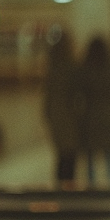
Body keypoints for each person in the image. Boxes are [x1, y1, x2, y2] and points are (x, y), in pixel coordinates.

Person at [77, 35, 110, 185]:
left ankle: (91, 187)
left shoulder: (85, 69)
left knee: (90, 158)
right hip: (109, 115)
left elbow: (77, 92)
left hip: (90, 117)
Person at [41, 27, 82, 185]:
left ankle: (59, 187)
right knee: (69, 156)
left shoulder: (52, 67)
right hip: (69, 116)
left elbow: (48, 96)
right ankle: (67, 188)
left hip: (56, 115)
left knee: (61, 155)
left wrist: (47, 115)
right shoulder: (71, 66)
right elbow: (76, 92)